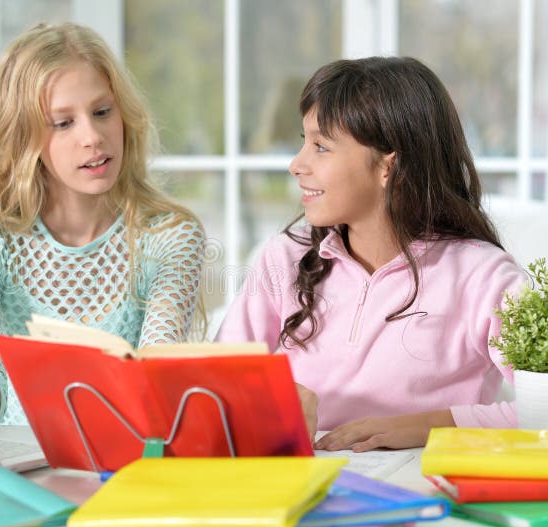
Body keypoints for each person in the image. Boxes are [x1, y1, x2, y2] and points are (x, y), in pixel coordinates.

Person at [0, 23, 205, 425]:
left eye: (102, 112)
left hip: (122, 460)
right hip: (17, 463)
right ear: (25, 137)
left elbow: (152, 399)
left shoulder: (169, 238)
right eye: (63, 122)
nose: (93, 136)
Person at [217, 56, 528, 452]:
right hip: (300, 479)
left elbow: (542, 408)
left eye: (321, 147)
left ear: (388, 166)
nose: (296, 165)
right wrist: (265, 399)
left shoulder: (484, 276)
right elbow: (210, 385)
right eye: (303, 142)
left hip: (422, 480)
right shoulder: (284, 258)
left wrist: (430, 426)